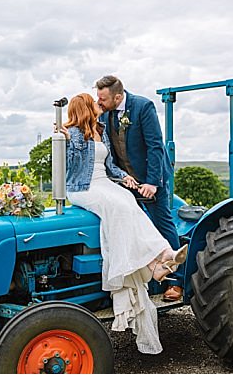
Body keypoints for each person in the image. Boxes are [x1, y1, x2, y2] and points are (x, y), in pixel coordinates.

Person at [59, 92, 188, 354]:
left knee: (131, 204)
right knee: (119, 207)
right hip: (83, 188)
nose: (99, 105)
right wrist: (61, 138)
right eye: (94, 103)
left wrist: (126, 177)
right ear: (85, 108)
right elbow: (70, 166)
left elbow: (108, 164)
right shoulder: (71, 135)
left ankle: (161, 259)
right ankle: (156, 262)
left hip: (105, 183)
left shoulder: (100, 129)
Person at [94, 75, 184, 301]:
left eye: (103, 98)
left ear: (117, 96)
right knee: (130, 226)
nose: (99, 102)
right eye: (97, 97)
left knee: (162, 223)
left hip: (149, 179)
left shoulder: (143, 107)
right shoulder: (105, 112)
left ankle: (176, 282)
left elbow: (155, 146)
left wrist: (152, 183)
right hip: (125, 181)